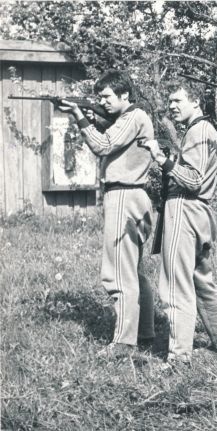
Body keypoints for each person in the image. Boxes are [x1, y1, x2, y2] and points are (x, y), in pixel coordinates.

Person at [58, 71, 155, 358]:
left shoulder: (131, 117)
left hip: (124, 195)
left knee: (117, 273)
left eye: (107, 96)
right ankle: (144, 332)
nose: (103, 101)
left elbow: (102, 146)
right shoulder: (132, 118)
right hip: (134, 195)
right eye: (100, 97)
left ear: (125, 95)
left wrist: (79, 115)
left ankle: (124, 344)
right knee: (133, 272)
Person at [139, 81, 217, 366]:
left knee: (175, 285)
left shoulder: (200, 131)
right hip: (199, 213)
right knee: (201, 280)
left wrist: (161, 159)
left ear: (196, 103)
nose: (172, 106)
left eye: (178, 100)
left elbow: (193, 181)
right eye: (170, 101)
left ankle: (179, 357)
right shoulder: (202, 130)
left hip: (185, 209)